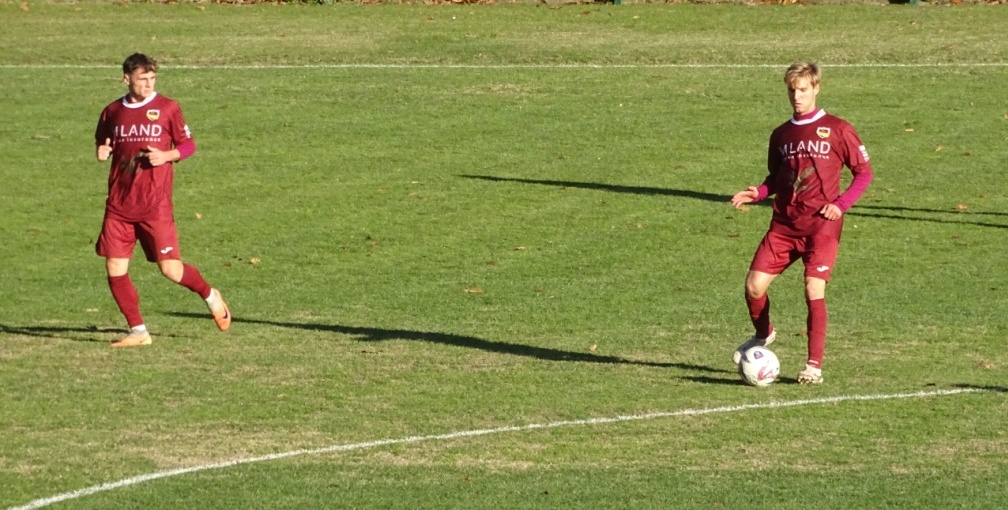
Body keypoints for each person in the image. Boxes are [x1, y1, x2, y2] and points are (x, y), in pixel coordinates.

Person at [730, 61, 874, 384]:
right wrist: (759, 192)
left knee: (813, 288)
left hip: (821, 226)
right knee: (753, 286)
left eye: (803, 90)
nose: (797, 96)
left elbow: (864, 173)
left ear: (816, 88)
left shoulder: (838, 129)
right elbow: (777, 177)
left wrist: (840, 206)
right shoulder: (781, 134)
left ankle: (813, 366)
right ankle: (763, 333)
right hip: (784, 226)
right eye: (792, 90)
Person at [94, 53, 230, 347]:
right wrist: (102, 151)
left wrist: (167, 155)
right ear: (126, 79)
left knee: (170, 269)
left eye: (152, 78)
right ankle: (138, 332)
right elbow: (104, 141)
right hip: (119, 204)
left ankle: (210, 295)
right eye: (142, 79)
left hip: (154, 205)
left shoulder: (168, 108)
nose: (148, 84)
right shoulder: (112, 111)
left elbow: (189, 145)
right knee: (115, 267)